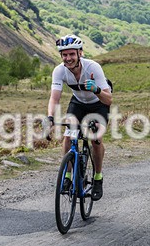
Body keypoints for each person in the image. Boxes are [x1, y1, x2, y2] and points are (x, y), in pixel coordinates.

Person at [46, 34, 112, 201]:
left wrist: (96, 89)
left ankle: (97, 177)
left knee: (95, 139)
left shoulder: (93, 67)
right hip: (78, 103)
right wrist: (50, 118)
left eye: (71, 54)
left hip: (98, 103)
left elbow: (109, 99)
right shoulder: (59, 71)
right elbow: (55, 98)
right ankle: (68, 175)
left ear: (80, 53)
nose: (68, 58)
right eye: (64, 55)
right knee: (68, 136)